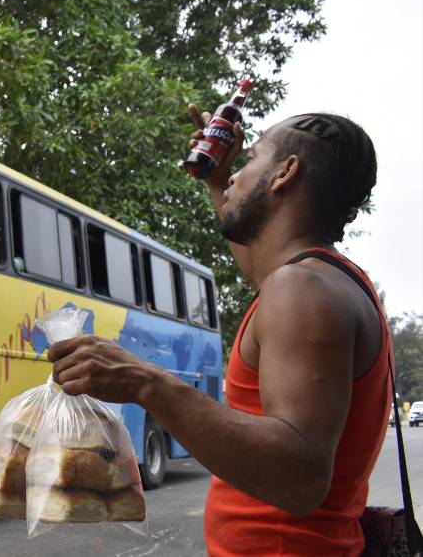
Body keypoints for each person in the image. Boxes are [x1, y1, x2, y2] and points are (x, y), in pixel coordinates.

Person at [48, 107, 389, 556]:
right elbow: (261, 265)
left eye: (250, 159)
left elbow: (301, 476)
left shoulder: (301, 288)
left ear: (285, 173)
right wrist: (219, 182)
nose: (235, 175)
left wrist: (145, 381)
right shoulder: (321, 280)